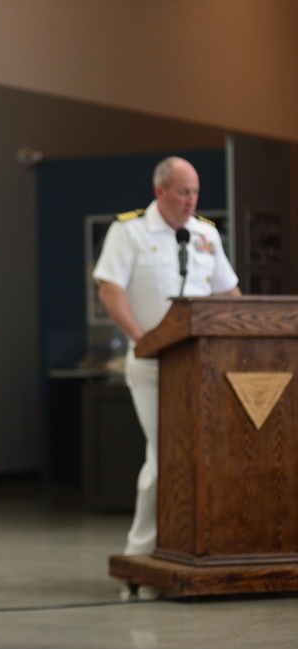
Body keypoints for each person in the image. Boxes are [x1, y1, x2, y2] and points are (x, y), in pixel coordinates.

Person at [92, 156, 241, 575]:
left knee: (201, 454)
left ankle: (194, 546)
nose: (191, 200)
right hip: (154, 366)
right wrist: (144, 338)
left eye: (195, 191)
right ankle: (141, 555)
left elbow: (230, 295)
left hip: (201, 368)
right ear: (160, 192)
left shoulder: (205, 235)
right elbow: (109, 291)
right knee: (167, 453)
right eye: (182, 191)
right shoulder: (130, 232)